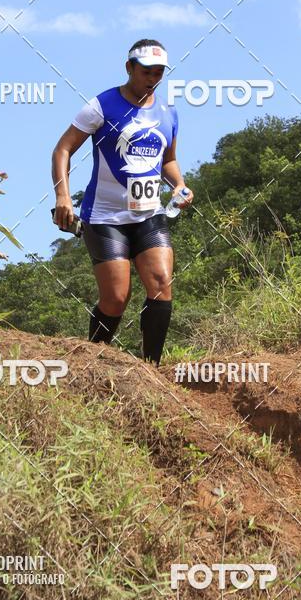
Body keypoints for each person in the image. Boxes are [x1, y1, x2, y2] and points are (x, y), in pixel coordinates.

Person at [51, 38, 193, 365]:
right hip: (104, 218)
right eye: (146, 71)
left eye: (159, 72)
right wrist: (62, 194)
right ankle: (92, 366)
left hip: (148, 214)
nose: (153, 78)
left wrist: (179, 185)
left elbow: (168, 159)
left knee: (161, 283)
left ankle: (151, 370)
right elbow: (63, 149)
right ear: (129, 67)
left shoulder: (168, 112)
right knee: (116, 298)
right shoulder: (101, 106)